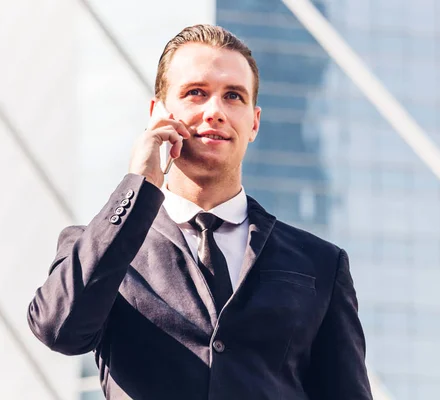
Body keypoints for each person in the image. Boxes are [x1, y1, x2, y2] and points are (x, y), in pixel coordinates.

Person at [27, 24, 373, 400]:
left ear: (254, 122)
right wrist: (138, 183)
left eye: (233, 97)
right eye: (196, 93)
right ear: (157, 112)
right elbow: (58, 329)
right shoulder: (101, 244)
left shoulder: (320, 263)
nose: (215, 111)